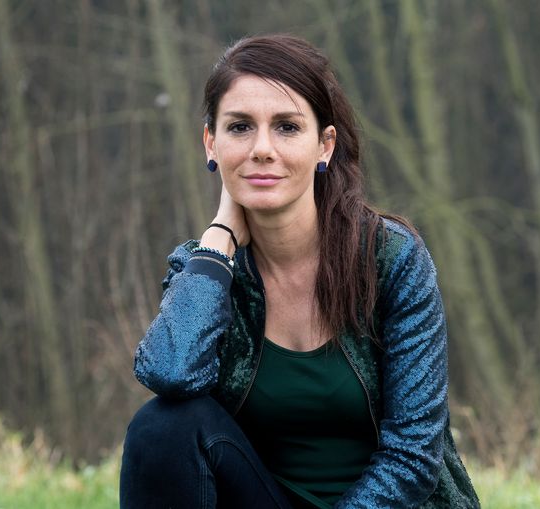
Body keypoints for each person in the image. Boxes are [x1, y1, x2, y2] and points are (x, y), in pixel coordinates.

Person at [119, 34, 480, 509]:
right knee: (160, 426)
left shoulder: (389, 258)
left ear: (324, 146)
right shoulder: (205, 269)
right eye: (240, 127)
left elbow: (413, 456)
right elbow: (169, 374)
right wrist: (220, 237)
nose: (262, 149)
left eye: (287, 127)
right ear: (211, 142)